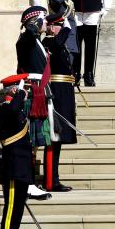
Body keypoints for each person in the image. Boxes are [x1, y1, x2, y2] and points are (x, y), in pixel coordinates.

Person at [0, 71, 47, 229]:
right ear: (14, 91)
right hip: (12, 172)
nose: (25, 93)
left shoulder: (15, 110)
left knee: (15, 219)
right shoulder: (5, 109)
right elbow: (14, 107)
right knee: (10, 218)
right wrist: (19, 93)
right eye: (22, 89)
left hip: (21, 172)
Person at [15, 2, 57, 199]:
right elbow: (27, 37)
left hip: (40, 93)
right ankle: (29, 184)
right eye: (43, 20)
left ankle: (30, 184)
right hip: (32, 94)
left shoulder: (38, 41)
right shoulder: (25, 40)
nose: (46, 24)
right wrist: (35, 22)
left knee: (35, 144)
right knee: (29, 142)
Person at [41, 13, 77, 192]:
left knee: (58, 141)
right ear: (52, 27)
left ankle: (53, 178)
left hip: (64, 94)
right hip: (57, 95)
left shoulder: (58, 44)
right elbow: (58, 40)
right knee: (54, 139)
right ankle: (51, 180)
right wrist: (67, 27)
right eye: (59, 26)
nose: (62, 30)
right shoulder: (49, 42)